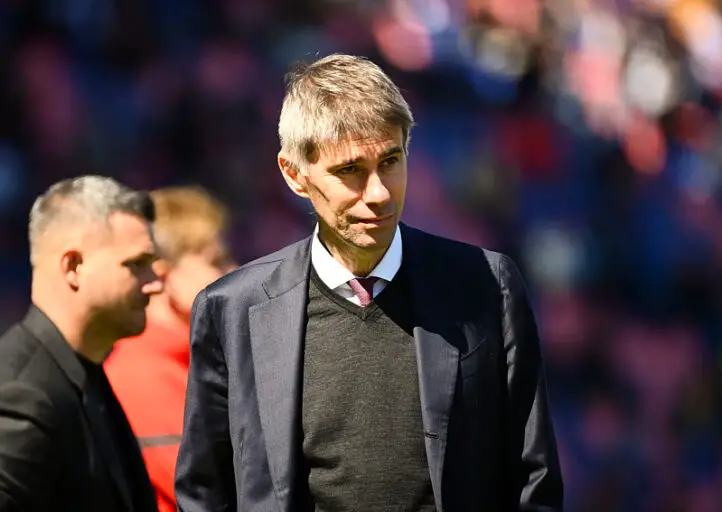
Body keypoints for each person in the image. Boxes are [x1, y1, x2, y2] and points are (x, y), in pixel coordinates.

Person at [176, 54, 563, 512]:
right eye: (351, 170)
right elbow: (204, 493)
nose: (378, 193)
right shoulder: (232, 310)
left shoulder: (487, 285)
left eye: (391, 161)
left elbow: (533, 481)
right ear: (294, 174)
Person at [0, 175, 162, 512]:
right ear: (73, 267)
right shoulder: (22, 395)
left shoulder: (82, 372)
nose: (155, 284)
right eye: (137, 265)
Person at [105, 185, 234, 512]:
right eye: (216, 261)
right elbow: (214, 493)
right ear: (162, 274)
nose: (234, 271)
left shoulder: (190, 361)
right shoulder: (140, 374)